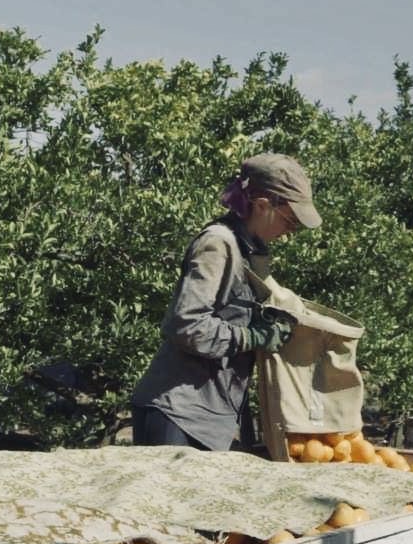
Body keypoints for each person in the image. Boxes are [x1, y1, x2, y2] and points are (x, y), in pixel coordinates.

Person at [129, 153, 322, 451]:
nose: (290, 232)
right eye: (290, 221)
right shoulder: (218, 244)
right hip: (178, 414)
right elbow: (187, 324)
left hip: (206, 415)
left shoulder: (247, 251)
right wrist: (250, 337)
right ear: (262, 205)